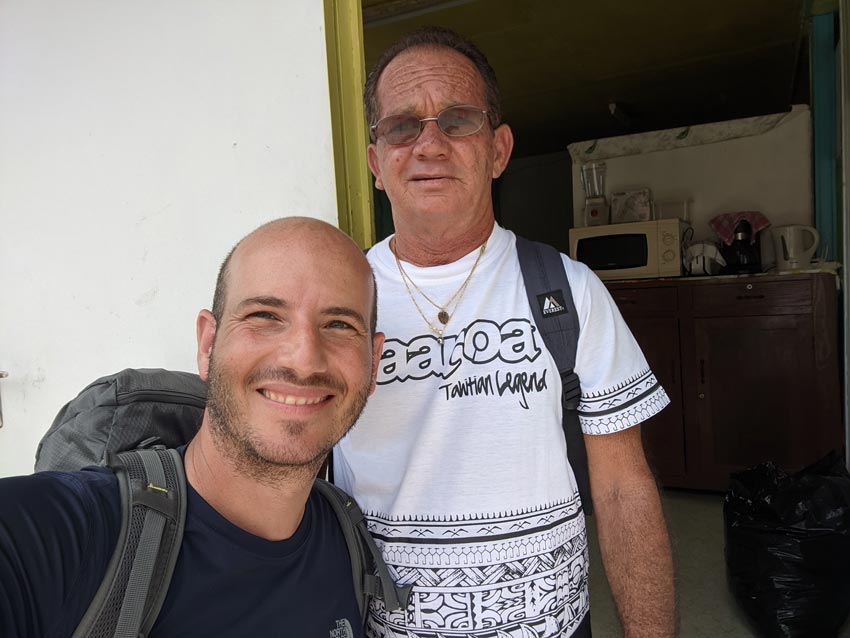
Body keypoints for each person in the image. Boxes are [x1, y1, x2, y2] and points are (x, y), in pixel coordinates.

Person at [332, 27, 676, 638]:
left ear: (498, 148)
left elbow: (624, 488)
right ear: (376, 163)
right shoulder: (338, 301)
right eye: (402, 126)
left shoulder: (569, 289)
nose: (429, 143)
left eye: (458, 120)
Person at [0, 217, 385, 638]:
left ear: (373, 361)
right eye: (264, 315)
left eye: (339, 325)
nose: (304, 359)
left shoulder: (348, 543)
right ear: (207, 344)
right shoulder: (61, 538)